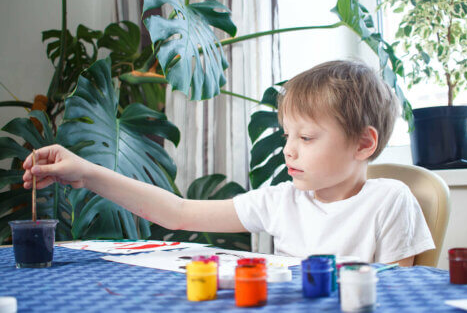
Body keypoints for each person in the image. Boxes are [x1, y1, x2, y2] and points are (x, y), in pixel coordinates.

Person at [22, 60, 434, 266]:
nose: (290, 150)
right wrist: (86, 172)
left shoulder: (390, 202)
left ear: (364, 143)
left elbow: (401, 296)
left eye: (306, 138)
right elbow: (178, 212)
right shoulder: (282, 201)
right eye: (287, 135)